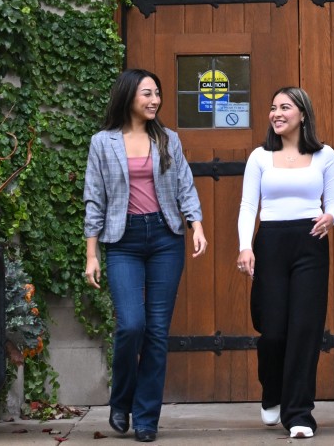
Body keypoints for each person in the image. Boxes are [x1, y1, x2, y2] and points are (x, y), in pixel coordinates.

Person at [85, 69, 207, 444]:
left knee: (156, 332)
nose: (155, 100)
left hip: (166, 237)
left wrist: (196, 224)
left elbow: (184, 183)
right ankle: (121, 400)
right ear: (128, 96)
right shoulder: (102, 142)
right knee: (131, 326)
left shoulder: (168, 139)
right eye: (147, 94)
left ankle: (147, 417)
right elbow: (94, 198)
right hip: (122, 240)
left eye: (157, 93)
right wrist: (91, 254)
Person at [236, 87, 334, 440]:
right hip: (270, 243)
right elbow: (249, 206)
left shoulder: (325, 155)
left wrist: (330, 217)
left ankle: (299, 413)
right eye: (273, 107)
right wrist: (244, 247)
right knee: (274, 332)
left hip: (310, 243)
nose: (276, 113)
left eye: (284, 107)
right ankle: (272, 393)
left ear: (302, 114)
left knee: (305, 331)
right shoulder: (260, 157)